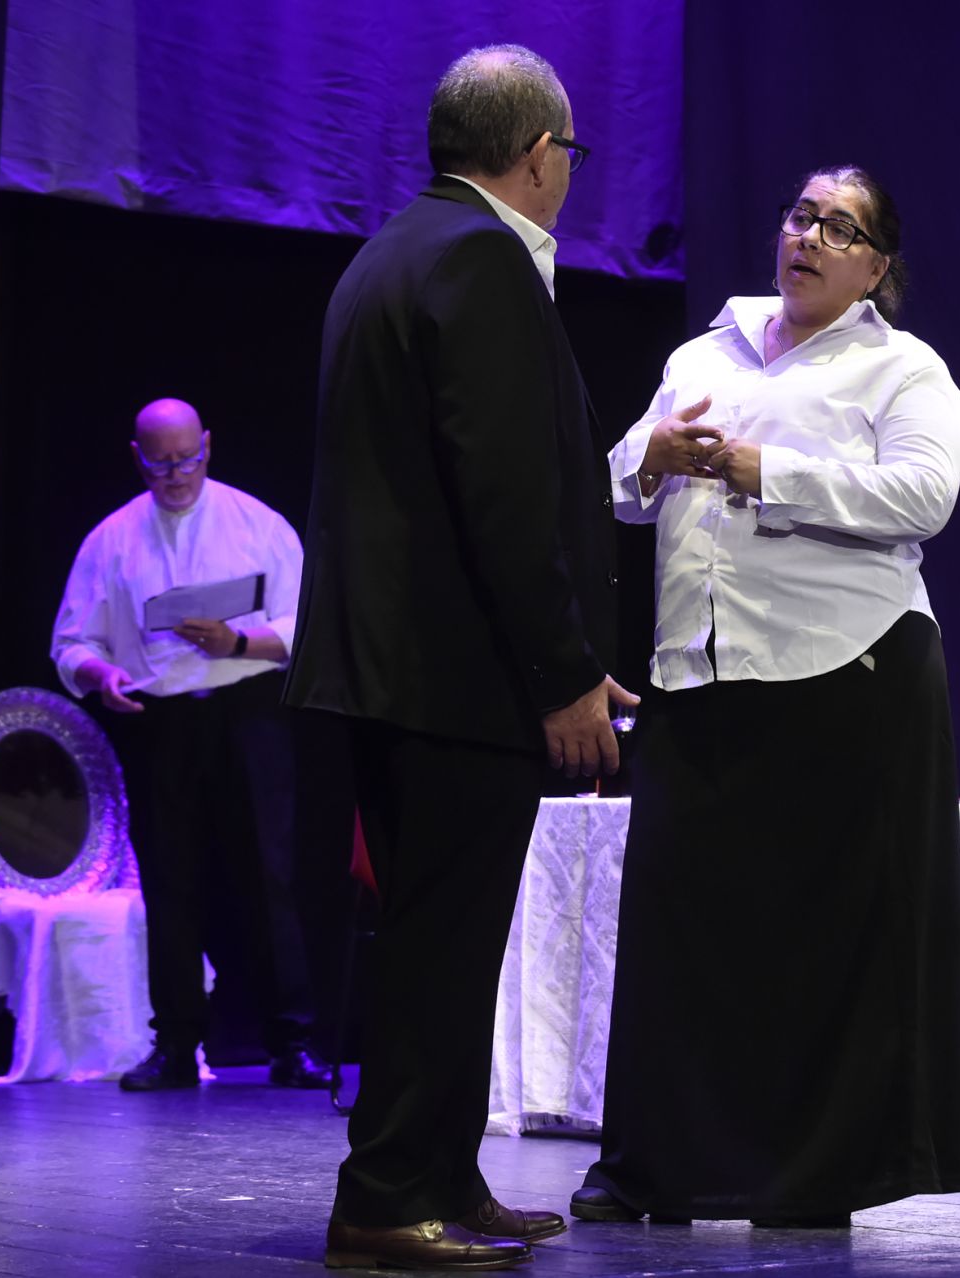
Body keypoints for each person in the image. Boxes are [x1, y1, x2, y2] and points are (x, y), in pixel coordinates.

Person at [571, 165, 960, 1227]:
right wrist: (649, 458)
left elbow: (925, 497)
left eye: (839, 229)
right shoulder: (702, 351)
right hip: (697, 671)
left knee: (817, 946)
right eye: (802, 217)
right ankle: (654, 1167)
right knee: (679, 935)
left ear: (877, 267)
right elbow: (615, 483)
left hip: (843, 672)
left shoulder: (904, 369)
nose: (809, 237)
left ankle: (811, 1177)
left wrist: (767, 471)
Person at [285, 45, 630, 1271]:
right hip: (451, 674)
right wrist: (565, 672)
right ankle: (386, 1197)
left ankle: (440, 1173)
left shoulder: (393, 248)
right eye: (570, 156)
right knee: (440, 938)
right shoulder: (483, 260)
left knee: (448, 933)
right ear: (539, 155)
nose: (569, 177)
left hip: (396, 667)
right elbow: (502, 496)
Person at [51, 397, 331, 1094]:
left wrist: (238, 639)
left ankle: (291, 1042)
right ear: (138, 457)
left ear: (207, 445)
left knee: (268, 877)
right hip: (162, 718)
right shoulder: (111, 540)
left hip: (249, 712)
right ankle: (175, 1044)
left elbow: (311, 624)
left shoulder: (257, 524)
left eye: (188, 457)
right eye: (161, 462)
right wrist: (101, 672)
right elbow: (71, 642)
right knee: (169, 884)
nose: (176, 473)